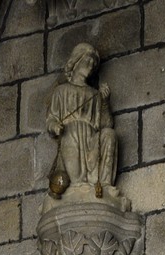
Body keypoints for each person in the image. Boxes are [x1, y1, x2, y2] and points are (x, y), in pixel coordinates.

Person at [45, 43, 122, 201]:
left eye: (93, 63)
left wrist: (105, 102)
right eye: (88, 60)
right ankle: (77, 185)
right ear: (76, 61)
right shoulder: (61, 91)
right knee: (71, 132)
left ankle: (104, 185)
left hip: (91, 139)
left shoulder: (94, 94)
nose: (91, 65)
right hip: (70, 135)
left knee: (109, 135)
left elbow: (106, 124)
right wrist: (55, 126)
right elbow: (52, 118)